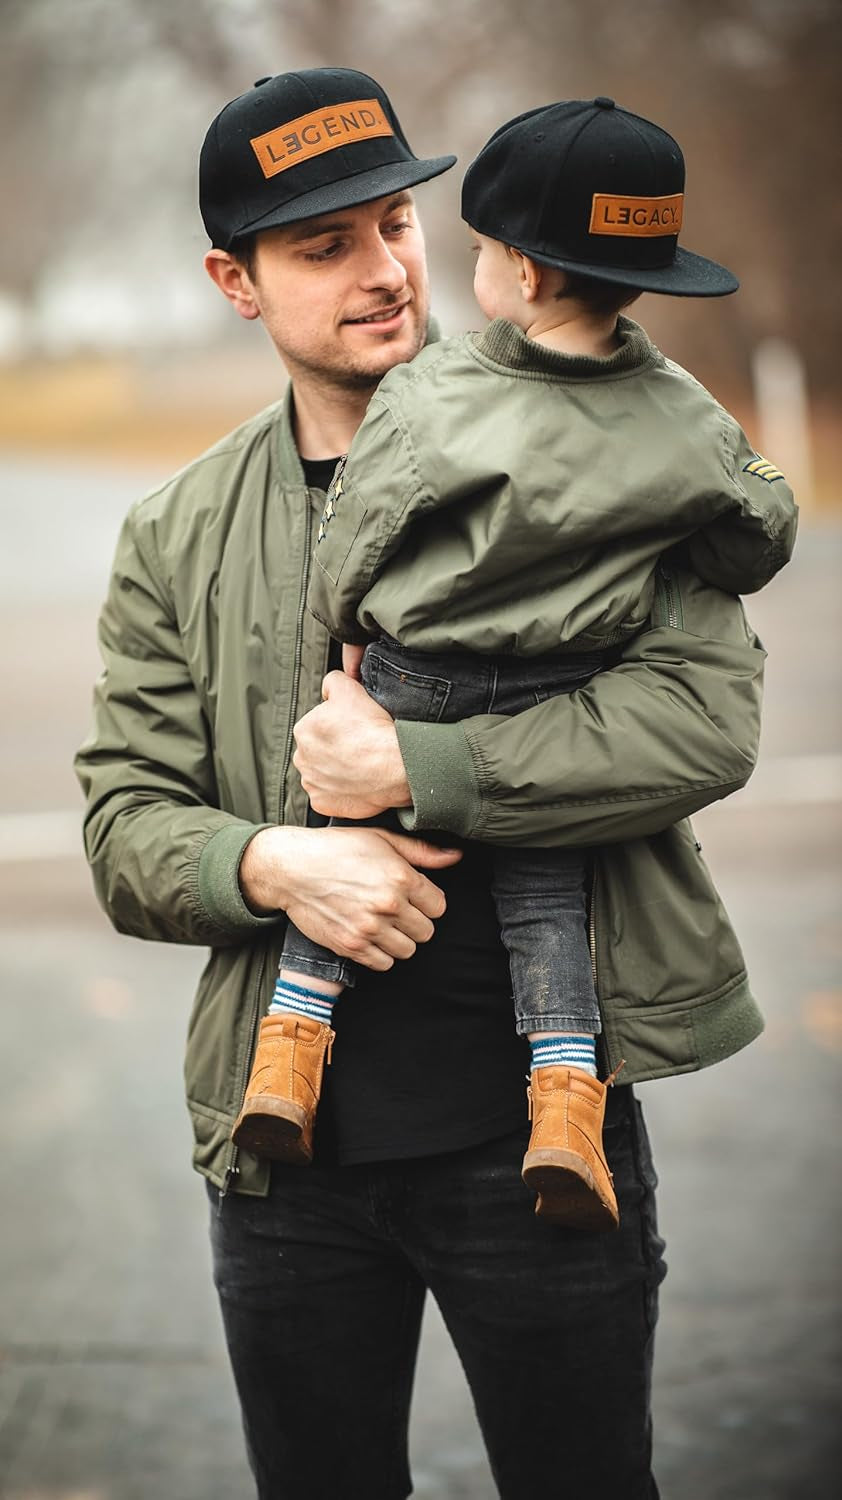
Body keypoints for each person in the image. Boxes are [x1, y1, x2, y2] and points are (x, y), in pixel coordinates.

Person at [74, 66, 783, 1500]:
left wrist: (430, 766)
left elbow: (704, 722)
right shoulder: (176, 532)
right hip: (283, 1169)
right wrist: (279, 866)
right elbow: (122, 825)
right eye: (322, 245)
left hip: (538, 1138)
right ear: (235, 279)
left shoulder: (593, 450)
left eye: (393, 224)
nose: (383, 270)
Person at [233, 96, 796, 1240]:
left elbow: (359, 532)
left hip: (415, 680)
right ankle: (564, 1110)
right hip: (556, 694)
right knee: (551, 900)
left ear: (526, 273)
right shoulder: (683, 418)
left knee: (340, 844)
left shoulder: (438, 394)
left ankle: (285, 1059)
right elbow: (761, 529)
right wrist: (679, 537)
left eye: (478, 248)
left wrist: (348, 627)